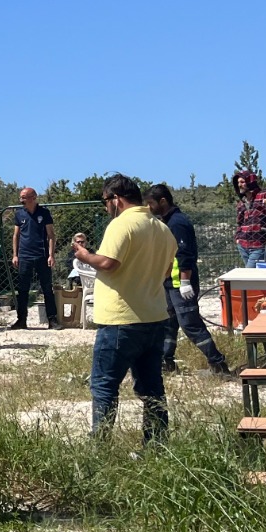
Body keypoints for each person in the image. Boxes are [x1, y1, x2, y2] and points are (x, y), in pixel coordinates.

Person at [71, 175, 178, 441]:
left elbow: (108, 263)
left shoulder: (121, 226)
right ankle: (156, 444)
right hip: (154, 317)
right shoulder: (163, 229)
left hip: (120, 320)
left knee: (104, 386)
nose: (106, 207)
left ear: (116, 199)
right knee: (152, 389)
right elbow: (166, 272)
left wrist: (84, 255)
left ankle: (100, 448)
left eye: (105, 201)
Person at [145, 184, 231, 376]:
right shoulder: (167, 222)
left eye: (151, 203)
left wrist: (185, 282)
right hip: (169, 283)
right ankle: (166, 363)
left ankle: (218, 365)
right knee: (168, 324)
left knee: (190, 324)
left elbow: (184, 254)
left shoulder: (177, 223)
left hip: (180, 284)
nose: (149, 207)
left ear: (163, 201)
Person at [11, 187, 58, 329]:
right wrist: (15, 255)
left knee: (47, 288)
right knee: (23, 289)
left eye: (24, 197)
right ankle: (21, 320)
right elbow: (16, 235)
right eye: (21, 197)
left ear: (33, 197)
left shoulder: (44, 213)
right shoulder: (19, 214)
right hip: (24, 256)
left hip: (42, 255)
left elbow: (51, 235)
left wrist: (51, 255)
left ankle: (52, 320)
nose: (21, 200)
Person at [232, 170, 266, 267]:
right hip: (243, 245)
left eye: (242, 182)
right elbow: (240, 223)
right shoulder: (241, 202)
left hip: (260, 245)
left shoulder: (264, 195)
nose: (239, 185)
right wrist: (238, 238)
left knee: (249, 274)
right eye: (238, 183)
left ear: (250, 182)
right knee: (253, 276)